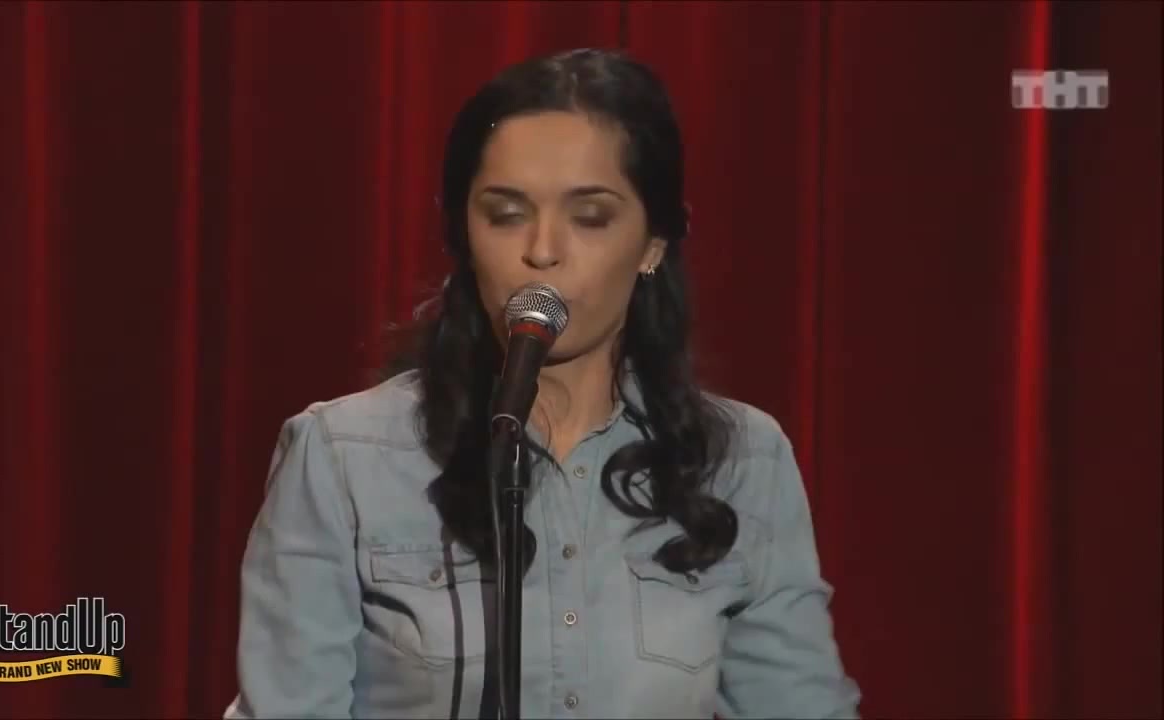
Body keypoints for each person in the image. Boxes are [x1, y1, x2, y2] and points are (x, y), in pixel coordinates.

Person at [223, 47, 861, 719]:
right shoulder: (342, 457)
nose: (543, 250)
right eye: (505, 214)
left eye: (591, 217)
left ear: (652, 243)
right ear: (464, 235)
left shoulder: (743, 462)